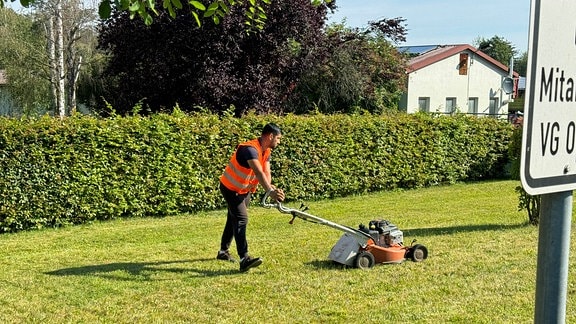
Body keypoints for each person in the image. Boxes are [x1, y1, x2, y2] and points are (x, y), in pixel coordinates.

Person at [217, 123, 285, 272]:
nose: (279, 142)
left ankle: (223, 252)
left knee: (233, 217)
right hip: (231, 188)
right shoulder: (249, 149)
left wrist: (272, 190)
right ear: (270, 136)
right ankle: (244, 258)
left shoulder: (266, 151)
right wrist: (269, 192)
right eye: (278, 138)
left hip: (243, 190)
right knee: (241, 218)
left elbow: (266, 173)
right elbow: (258, 172)